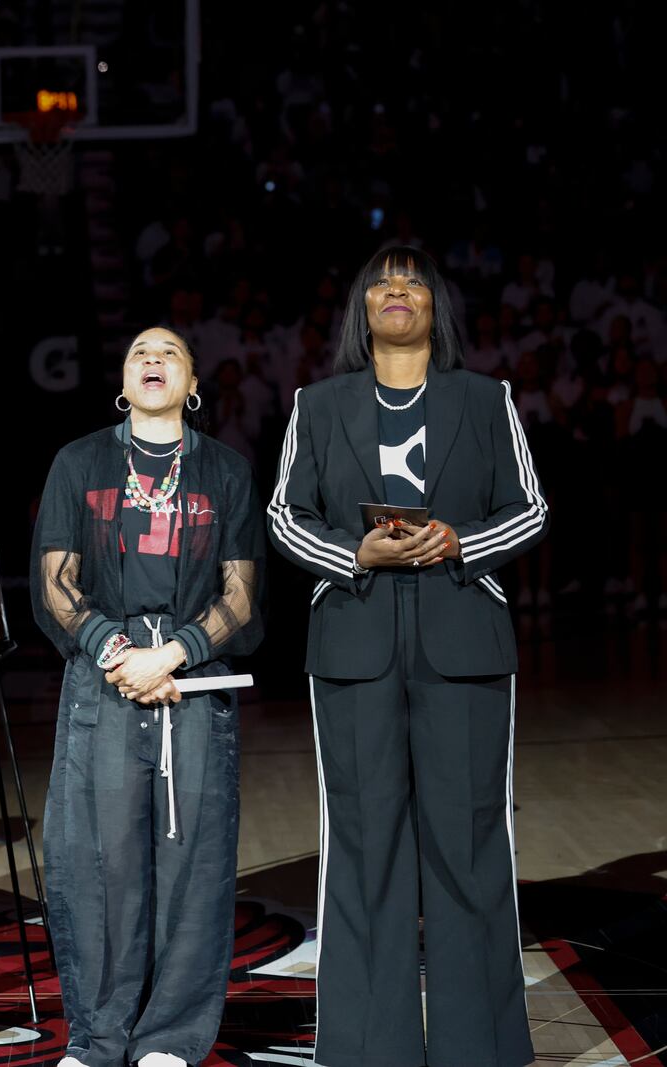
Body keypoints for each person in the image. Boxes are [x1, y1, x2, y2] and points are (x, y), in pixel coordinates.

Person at [268, 245, 546, 1067]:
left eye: (413, 281)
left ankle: (480, 1048)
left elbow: (528, 509)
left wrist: (461, 543)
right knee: (362, 844)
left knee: (468, 844)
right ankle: (366, 1048)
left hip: (464, 644)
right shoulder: (314, 405)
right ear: (362, 310)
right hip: (353, 648)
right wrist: (357, 555)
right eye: (382, 283)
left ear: (436, 308)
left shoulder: (487, 399)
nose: (397, 291)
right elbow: (286, 516)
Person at [32, 328, 265, 1067]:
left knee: (192, 861)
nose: (153, 360)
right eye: (138, 353)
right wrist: (116, 650)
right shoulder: (80, 462)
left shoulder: (224, 470)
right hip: (102, 682)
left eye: (169, 352)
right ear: (123, 381)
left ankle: (170, 1035)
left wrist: (174, 652)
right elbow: (54, 583)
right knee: (98, 862)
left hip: (192, 679)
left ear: (192, 380)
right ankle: (100, 1037)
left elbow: (242, 594)